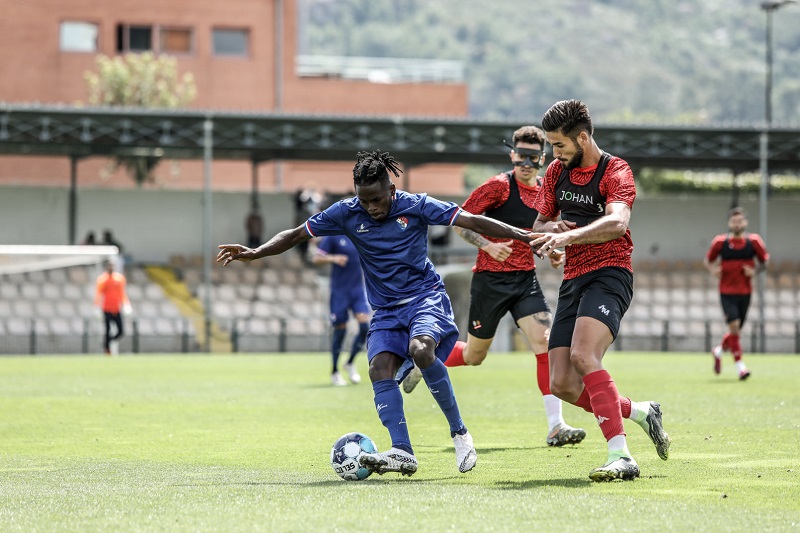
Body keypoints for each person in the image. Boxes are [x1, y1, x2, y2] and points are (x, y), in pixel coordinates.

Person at [218, 150, 537, 477]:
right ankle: (402, 451)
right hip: (385, 310)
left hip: (424, 297)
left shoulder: (416, 205)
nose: (371, 208)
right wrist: (256, 252)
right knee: (378, 368)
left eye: (377, 200)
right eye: (364, 201)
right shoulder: (346, 212)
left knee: (421, 350)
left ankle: (460, 434)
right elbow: (297, 234)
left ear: (392, 192)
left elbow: (471, 220)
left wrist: (525, 236)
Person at [403, 125, 587, 449]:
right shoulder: (497, 187)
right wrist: (487, 245)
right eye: (520, 156)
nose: (525, 163)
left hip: (525, 280)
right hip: (489, 280)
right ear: (512, 155)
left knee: (544, 341)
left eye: (532, 157)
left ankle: (556, 426)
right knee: (475, 356)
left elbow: (539, 234)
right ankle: (428, 361)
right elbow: (460, 222)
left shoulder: (546, 192)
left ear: (542, 159)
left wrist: (553, 252)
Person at [529, 100, 671, 482]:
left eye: (558, 145)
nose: (553, 154)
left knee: (583, 355)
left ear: (583, 137)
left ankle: (621, 455)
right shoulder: (557, 172)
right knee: (559, 383)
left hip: (610, 274)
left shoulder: (616, 170)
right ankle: (641, 412)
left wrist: (570, 233)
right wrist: (551, 235)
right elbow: (541, 222)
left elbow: (616, 223)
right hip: (573, 279)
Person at [703, 207, 769, 380]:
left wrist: (754, 271)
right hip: (726, 292)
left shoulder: (753, 242)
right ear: (729, 223)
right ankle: (741, 367)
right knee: (734, 328)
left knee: (735, 331)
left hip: (745, 292)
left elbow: (764, 262)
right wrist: (713, 271)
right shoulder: (720, 242)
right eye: (734, 221)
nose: (737, 223)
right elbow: (708, 261)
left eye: (740, 220)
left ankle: (718, 351)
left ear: (745, 223)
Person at [313, 235, 370, 386]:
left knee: (365, 326)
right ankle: (335, 371)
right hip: (339, 291)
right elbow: (316, 258)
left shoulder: (358, 232)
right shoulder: (333, 236)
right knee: (340, 330)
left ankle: (350, 362)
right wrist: (333, 258)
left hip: (357, 289)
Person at [94, 259, 131, 356]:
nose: (111, 268)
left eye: (112, 266)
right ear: (106, 267)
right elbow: (98, 294)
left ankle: (106, 343)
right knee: (107, 330)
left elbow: (122, 293)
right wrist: (97, 308)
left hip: (116, 309)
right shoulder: (102, 279)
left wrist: (126, 304)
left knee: (121, 331)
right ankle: (107, 349)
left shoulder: (119, 279)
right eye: (109, 266)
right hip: (106, 309)